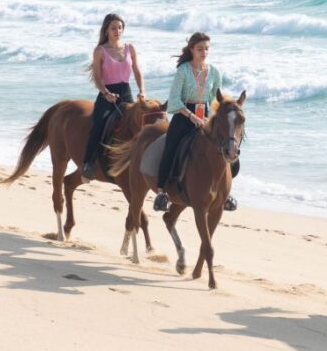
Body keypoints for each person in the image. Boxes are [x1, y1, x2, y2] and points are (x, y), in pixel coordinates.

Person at [154, 32, 239, 211]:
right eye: (200, 49)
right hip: (184, 115)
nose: (204, 52)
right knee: (171, 148)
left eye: (207, 48)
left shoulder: (215, 72)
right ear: (192, 49)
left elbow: (215, 99)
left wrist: (213, 117)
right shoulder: (183, 70)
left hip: (206, 115)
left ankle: (225, 191)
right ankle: (162, 192)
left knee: (229, 148)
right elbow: (174, 99)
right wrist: (191, 116)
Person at [81, 13, 145, 181]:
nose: (118, 31)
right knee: (99, 125)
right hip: (107, 94)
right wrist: (106, 93)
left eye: (120, 28)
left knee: (139, 124)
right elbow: (97, 77)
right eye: (114, 28)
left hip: (127, 92)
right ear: (107, 30)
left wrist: (142, 90)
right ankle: (88, 164)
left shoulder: (130, 48)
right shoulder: (100, 51)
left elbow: (137, 71)